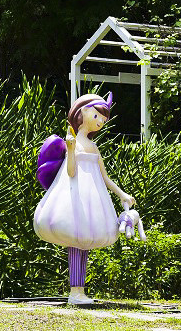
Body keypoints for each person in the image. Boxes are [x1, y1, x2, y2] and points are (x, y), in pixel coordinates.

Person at [33, 93, 135, 305]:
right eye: (97, 116)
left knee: (84, 245)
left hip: (93, 199)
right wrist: (70, 150)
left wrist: (122, 194)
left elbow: (105, 177)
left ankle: (78, 291)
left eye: (103, 120)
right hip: (74, 197)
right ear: (82, 111)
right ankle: (75, 292)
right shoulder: (74, 143)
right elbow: (70, 172)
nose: (100, 122)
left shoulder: (94, 147)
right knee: (76, 243)